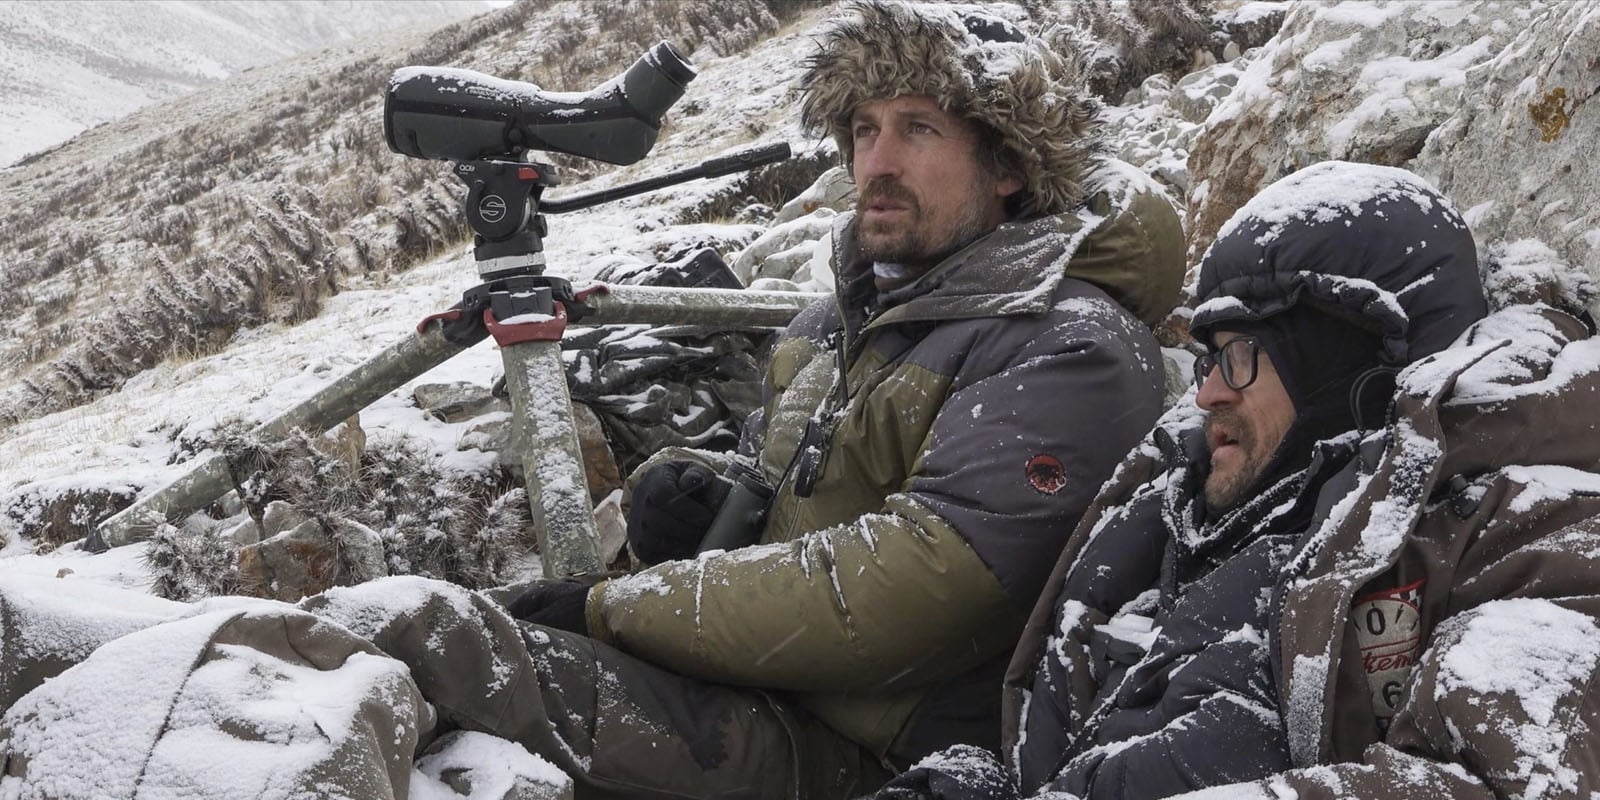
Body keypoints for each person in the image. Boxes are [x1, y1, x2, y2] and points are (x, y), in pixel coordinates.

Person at [0, 2, 1182, 798]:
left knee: (420, 632)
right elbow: (802, 491)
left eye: (917, 130)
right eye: (862, 128)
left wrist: (617, 603)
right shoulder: (851, 313)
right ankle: (75, 687)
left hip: (846, 746)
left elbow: (907, 592)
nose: (873, 160)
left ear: (1009, 164)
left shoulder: (1068, 346)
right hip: (751, 682)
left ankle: (87, 704)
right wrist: (702, 495)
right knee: (401, 640)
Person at [873, 160, 1600, 800]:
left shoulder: (1526, 527)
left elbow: (1511, 781)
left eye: (1242, 353)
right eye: (1208, 358)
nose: (1207, 393)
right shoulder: (1170, 510)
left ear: (1346, 361)